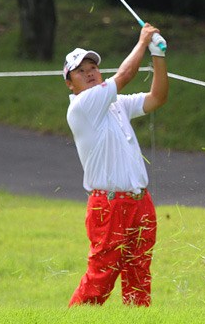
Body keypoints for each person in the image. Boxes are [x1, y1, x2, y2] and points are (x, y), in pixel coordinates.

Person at [63, 23, 168, 307]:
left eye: (92, 68)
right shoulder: (83, 106)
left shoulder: (115, 103)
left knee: (139, 277)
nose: (89, 73)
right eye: (80, 71)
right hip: (108, 207)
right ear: (70, 84)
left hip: (140, 203)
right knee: (100, 279)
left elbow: (157, 98)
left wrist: (158, 57)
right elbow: (125, 74)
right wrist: (144, 40)